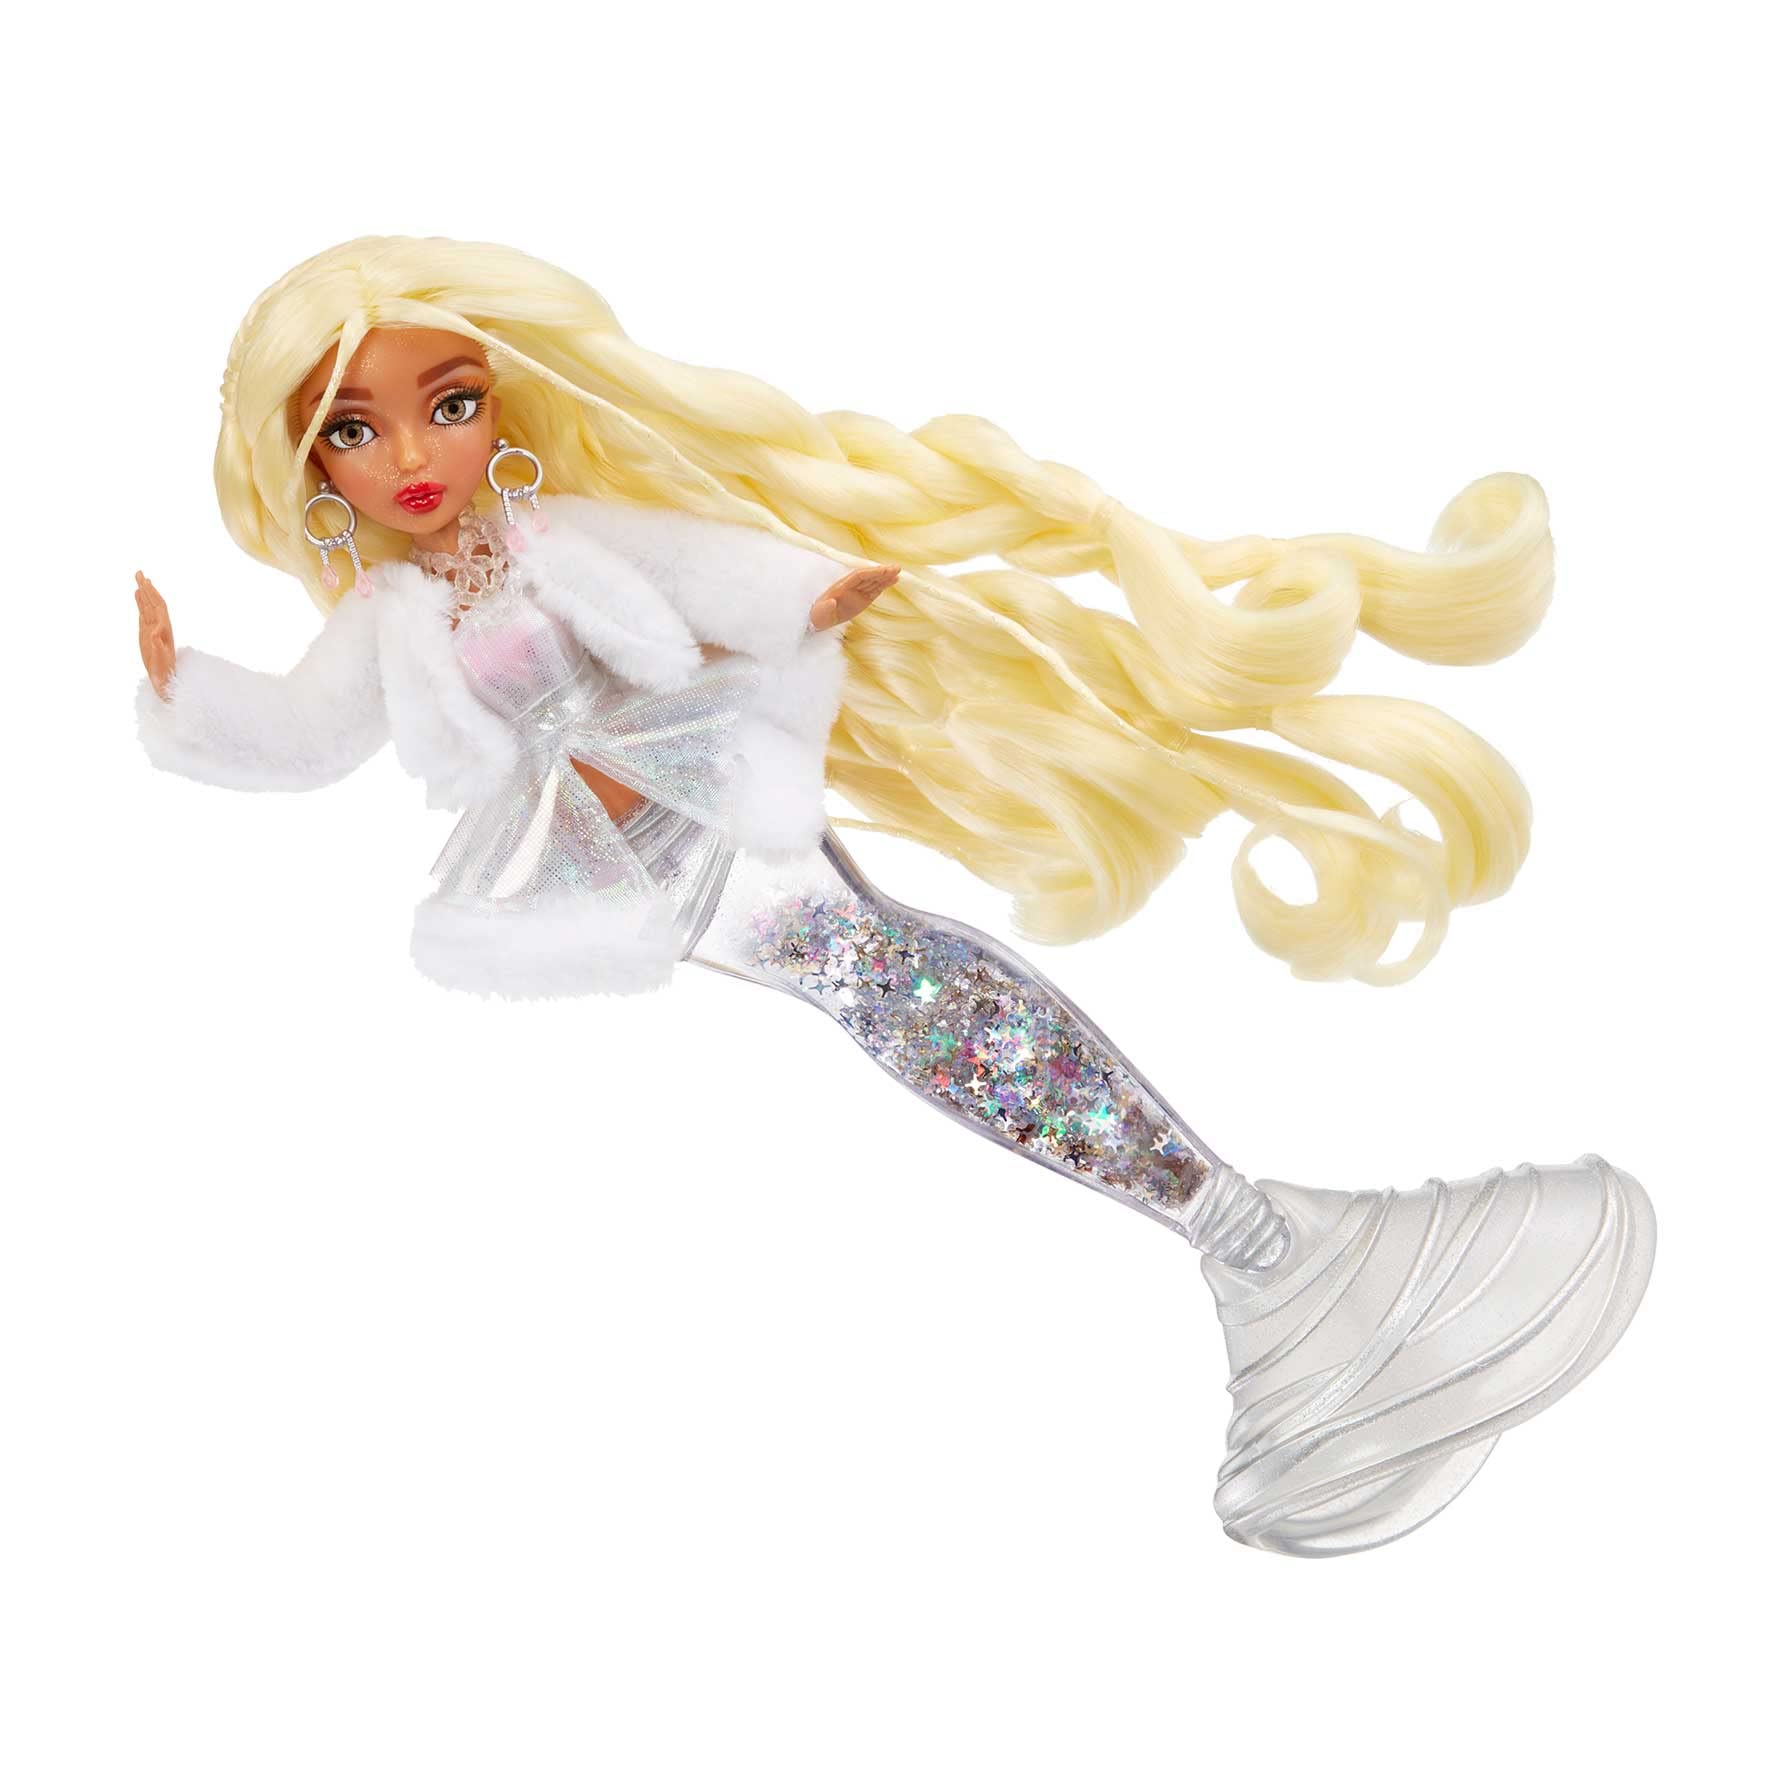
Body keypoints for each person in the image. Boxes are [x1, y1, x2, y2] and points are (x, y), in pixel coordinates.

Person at [131, 235, 1653, 1553]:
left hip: (709, 784)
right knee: (871, 983)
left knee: (888, 973)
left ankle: (1247, 1234)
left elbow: (704, 570)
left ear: (502, 411)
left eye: (449, 403)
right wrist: (177, 692)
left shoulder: (557, 534)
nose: (410, 451)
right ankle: (1248, 1236)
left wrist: (805, 591)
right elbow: (300, 733)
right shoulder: (385, 616)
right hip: (621, 871)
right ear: (313, 470)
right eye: (354, 430)